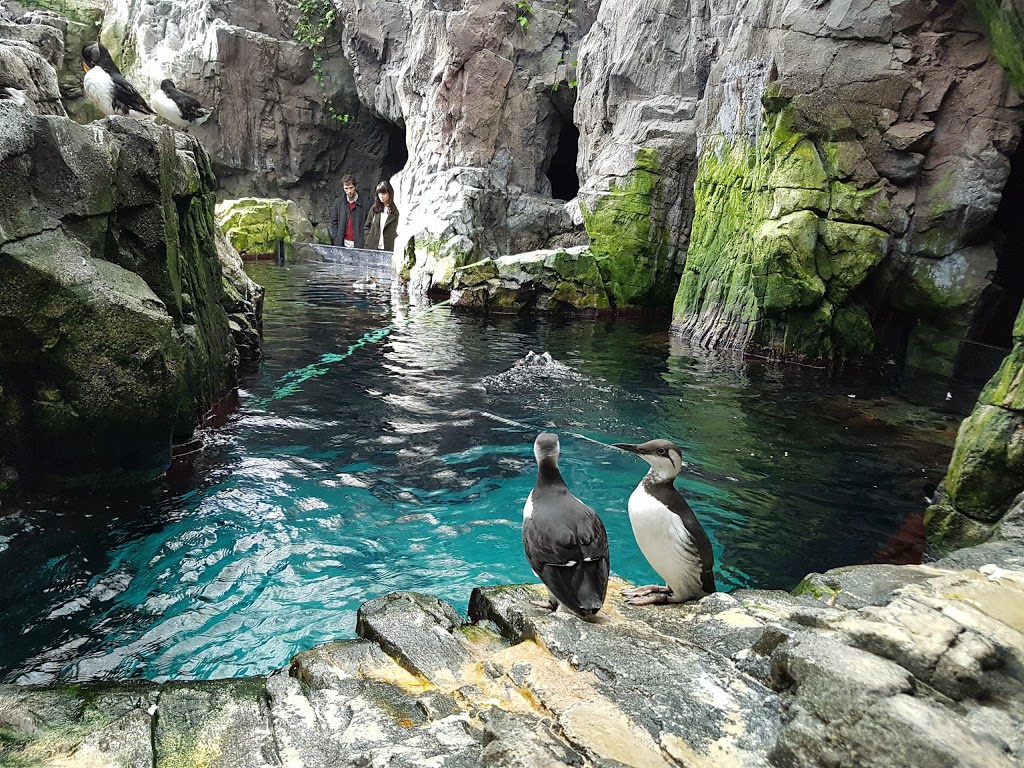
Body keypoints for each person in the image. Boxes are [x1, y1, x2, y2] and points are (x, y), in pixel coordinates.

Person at [330, 175, 367, 248]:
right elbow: (334, 221)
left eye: (351, 188)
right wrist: (336, 237)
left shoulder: (366, 203)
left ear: (356, 187)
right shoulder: (338, 202)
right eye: (346, 188)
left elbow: (369, 224)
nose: (349, 191)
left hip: (360, 244)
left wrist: (364, 239)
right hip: (342, 243)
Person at [364, 180, 400, 251]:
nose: (381, 196)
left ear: (390, 193)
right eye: (379, 193)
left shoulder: (396, 210)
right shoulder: (375, 208)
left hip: (390, 247)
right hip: (373, 247)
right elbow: (367, 226)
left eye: (384, 193)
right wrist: (368, 239)